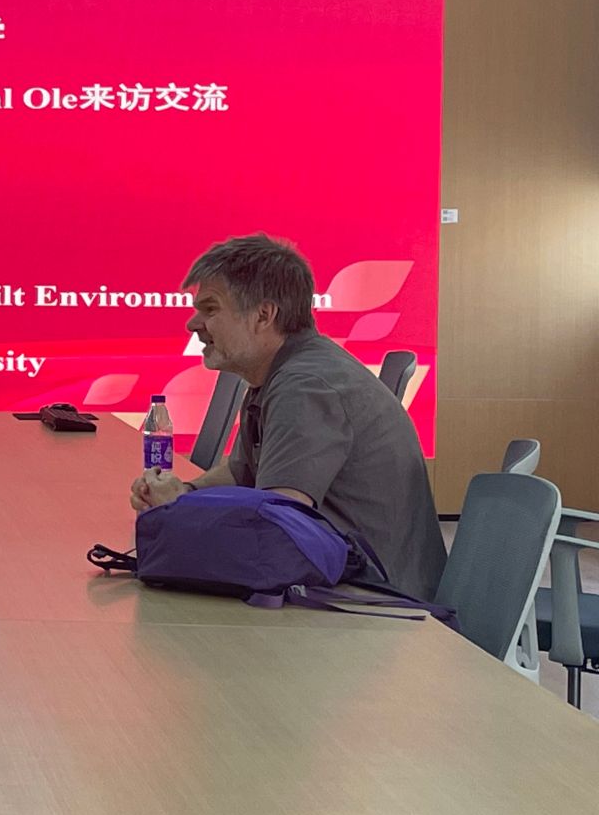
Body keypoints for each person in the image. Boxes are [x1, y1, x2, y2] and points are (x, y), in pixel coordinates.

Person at [131, 234, 447, 599]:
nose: (193, 324)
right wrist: (184, 493)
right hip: (351, 587)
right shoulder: (282, 373)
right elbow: (241, 473)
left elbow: (278, 525)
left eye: (210, 309)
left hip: (381, 605)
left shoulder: (306, 386)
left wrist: (179, 513)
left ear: (264, 315)